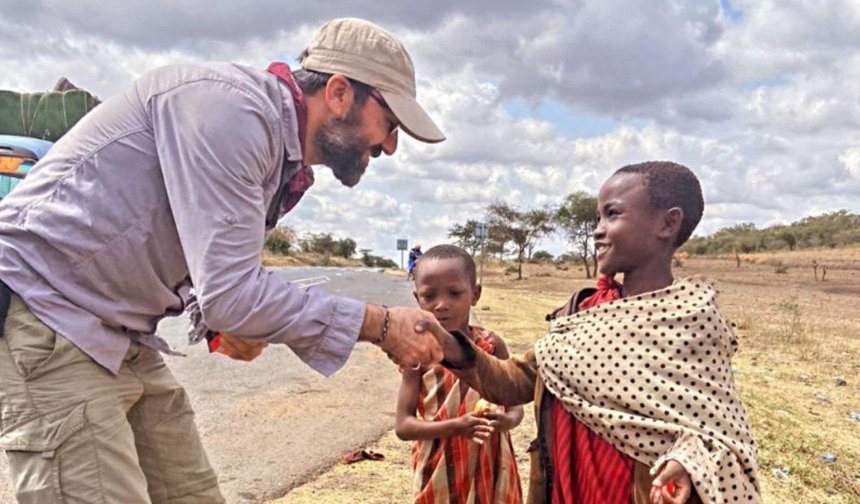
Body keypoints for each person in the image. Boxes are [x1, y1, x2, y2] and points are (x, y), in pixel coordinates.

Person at [0, 18, 446, 503]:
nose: (389, 146)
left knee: (191, 493)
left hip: (116, 330)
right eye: (391, 123)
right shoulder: (233, 112)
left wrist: (216, 320)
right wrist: (381, 325)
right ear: (339, 93)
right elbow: (233, 296)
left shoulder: (277, 153)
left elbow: (203, 264)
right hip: (48, 316)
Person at [427, 162, 761, 504]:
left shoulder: (691, 322)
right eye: (597, 218)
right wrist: (443, 343)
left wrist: (687, 462)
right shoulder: (582, 312)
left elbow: (723, 440)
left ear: (668, 223)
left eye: (612, 214)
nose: (598, 230)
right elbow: (514, 381)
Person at [396, 244, 523, 503]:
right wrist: (456, 427)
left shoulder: (491, 345)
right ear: (416, 299)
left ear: (475, 294)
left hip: (493, 462)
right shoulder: (417, 354)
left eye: (454, 293)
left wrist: (507, 421)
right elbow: (403, 425)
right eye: (429, 296)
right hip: (439, 467)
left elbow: (515, 406)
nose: (441, 305)